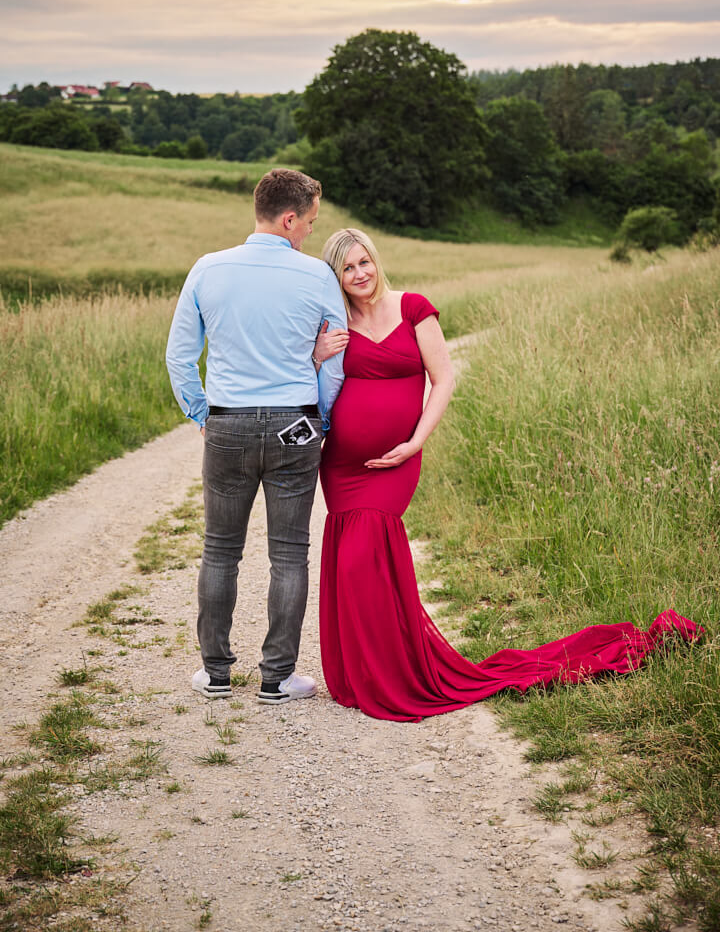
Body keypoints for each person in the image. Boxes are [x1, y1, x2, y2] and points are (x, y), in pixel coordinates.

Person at [314, 228, 702, 723]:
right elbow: (313, 384)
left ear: (376, 260)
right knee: (351, 565)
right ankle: (360, 673)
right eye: (347, 268)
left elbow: (444, 378)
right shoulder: (335, 323)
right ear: (337, 276)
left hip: (396, 462)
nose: (360, 274)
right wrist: (317, 354)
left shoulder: (412, 308)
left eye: (364, 262)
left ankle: (395, 674)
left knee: (364, 558)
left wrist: (416, 442)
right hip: (344, 466)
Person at [165, 169, 348, 704]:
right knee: (289, 553)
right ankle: (277, 677)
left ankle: (216, 673)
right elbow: (334, 363)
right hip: (297, 425)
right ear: (289, 218)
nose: (311, 233)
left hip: (227, 421)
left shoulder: (207, 269)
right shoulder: (317, 278)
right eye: (310, 223)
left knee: (220, 550)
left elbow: (180, 357)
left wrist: (203, 413)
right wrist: (323, 421)